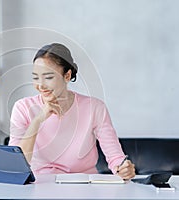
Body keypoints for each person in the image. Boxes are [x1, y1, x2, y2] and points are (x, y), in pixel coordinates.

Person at [9, 43, 135, 180]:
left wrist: (122, 168)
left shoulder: (94, 107)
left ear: (67, 75)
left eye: (48, 77)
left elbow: (115, 157)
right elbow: (17, 165)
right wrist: (37, 120)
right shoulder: (22, 107)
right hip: (40, 183)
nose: (40, 85)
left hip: (83, 184)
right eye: (35, 77)